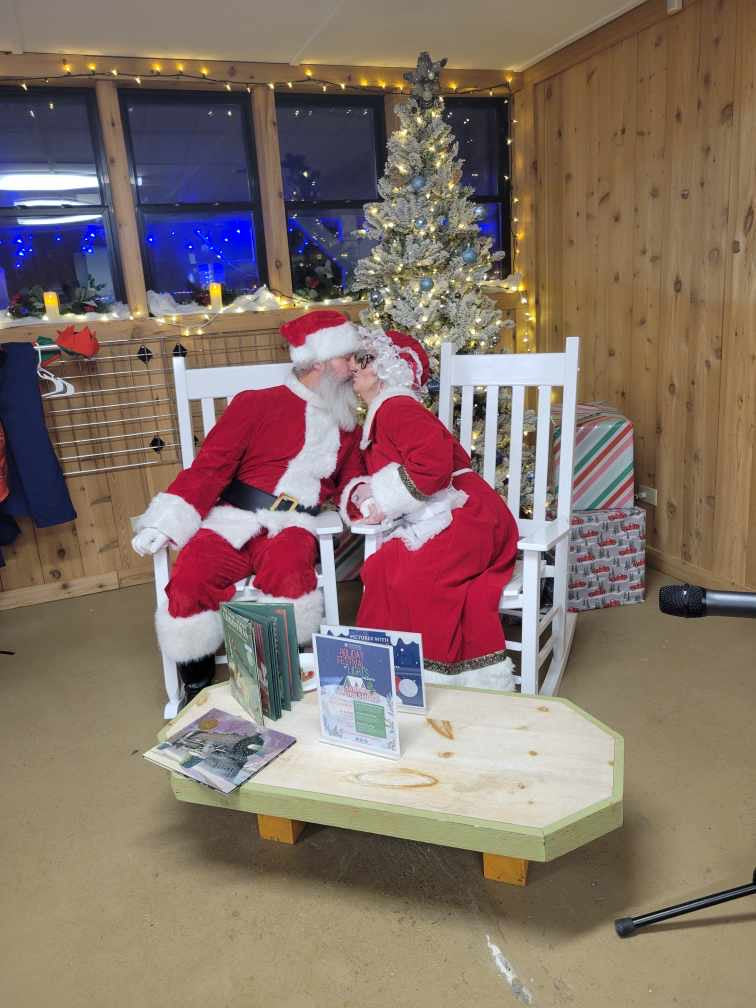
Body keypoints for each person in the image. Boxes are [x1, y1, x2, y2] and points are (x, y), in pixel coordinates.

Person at [131, 309, 363, 703]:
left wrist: (363, 498)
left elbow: (352, 483)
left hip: (294, 523)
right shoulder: (255, 404)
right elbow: (210, 469)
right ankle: (196, 682)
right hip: (233, 517)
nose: (354, 367)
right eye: (348, 358)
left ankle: (280, 676)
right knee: (191, 573)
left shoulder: (346, 423)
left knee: (290, 569)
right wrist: (165, 522)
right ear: (319, 363)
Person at [340, 329, 519, 690]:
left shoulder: (398, 407)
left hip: (470, 514)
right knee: (382, 568)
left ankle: (437, 677)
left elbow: (434, 467)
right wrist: (369, 496)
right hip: (442, 514)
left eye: (363, 360)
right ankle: (394, 670)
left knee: (411, 574)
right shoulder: (381, 414)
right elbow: (386, 476)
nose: (351, 367)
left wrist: (385, 498)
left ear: (387, 369)